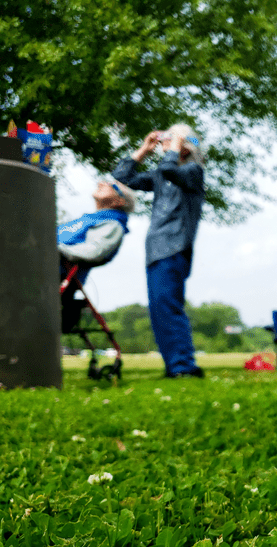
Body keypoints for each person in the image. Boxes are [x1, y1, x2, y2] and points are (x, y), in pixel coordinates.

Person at [113, 124, 206, 378]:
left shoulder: (192, 172)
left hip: (174, 246)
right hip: (155, 248)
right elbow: (122, 178)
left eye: (172, 138)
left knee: (169, 307)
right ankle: (173, 366)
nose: (166, 142)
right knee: (158, 311)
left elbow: (168, 168)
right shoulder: (160, 175)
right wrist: (143, 149)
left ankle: (185, 367)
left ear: (185, 146)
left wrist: (174, 146)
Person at [58, 180, 136, 286]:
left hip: (53, 272)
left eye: (112, 185)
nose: (100, 183)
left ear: (119, 201)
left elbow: (94, 251)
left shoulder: (112, 225)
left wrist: (54, 249)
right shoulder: (87, 220)